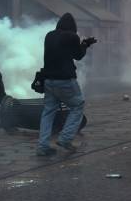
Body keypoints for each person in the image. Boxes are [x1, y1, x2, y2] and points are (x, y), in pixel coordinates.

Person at [36, 13, 96, 156]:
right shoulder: (71, 36)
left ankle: (43, 145)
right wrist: (85, 45)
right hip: (65, 80)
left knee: (48, 112)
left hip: (49, 80)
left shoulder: (49, 35)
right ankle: (65, 138)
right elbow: (78, 56)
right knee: (77, 105)